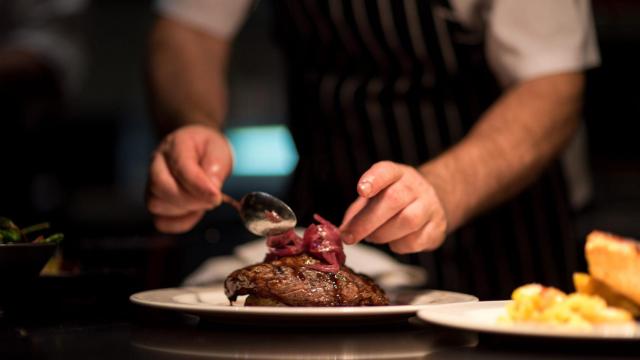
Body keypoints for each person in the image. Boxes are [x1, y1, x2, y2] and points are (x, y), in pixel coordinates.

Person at [145, 0, 600, 299]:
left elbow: (552, 87)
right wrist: (193, 124)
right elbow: (189, 31)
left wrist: (443, 187)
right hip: (323, 202)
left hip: (497, 230)